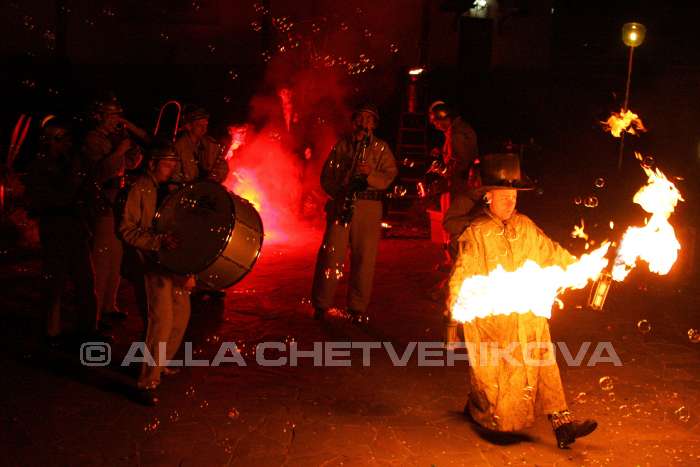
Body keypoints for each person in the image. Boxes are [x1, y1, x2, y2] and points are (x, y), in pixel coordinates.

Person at [447, 153, 597, 449]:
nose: (510, 201)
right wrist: (453, 312)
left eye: (514, 195)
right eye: (503, 195)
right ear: (488, 197)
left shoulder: (526, 226)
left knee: (543, 361)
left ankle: (562, 423)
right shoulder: (477, 233)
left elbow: (551, 252)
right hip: (492, 320)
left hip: (528, 313)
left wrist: (583, 267)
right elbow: (462, 272)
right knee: (496, 385)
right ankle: (478, 407)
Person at [118, 143, 194, 405]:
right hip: (150, 262)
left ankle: (158, 365)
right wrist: (158, 242)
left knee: (181, 314)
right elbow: (127, 230)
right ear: (152, 164)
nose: (171, 168)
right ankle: (147, 381)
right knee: (160, 321)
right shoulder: (139, 189)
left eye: (174, 163)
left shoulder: (170, 190)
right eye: (166, 163)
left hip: (171, 263)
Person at [311, 104, 398, 323]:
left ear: (374, 125)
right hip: (343, 205)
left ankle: (357, 308)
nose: (364, 123)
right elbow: (326, 177)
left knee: (364, 259)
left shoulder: (381, 148)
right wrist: (340, 191)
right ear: (354, 122)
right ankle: (321, 304)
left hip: (369, 207)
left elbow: (389, 177)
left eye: (369, 120)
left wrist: (369, 176)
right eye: (360, 119)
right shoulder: (342, 146)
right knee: (331, 255)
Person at [24, 117, 100, 345]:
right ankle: (51, 332)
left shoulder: (69, 162)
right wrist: (73, 187)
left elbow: (84, 192)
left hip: (75, 230)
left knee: (86, 282)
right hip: (56, 230)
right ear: (50, 141)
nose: (68, 143)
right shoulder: (40, 167)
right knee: (54, 284)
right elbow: (50, 199)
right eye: (62, 139)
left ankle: (87, 330)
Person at [82, 95, 147, 325]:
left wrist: (131, 149)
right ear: (99, 116)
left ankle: (110, 304)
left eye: (118, 115)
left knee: (116, 255)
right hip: (102, 199)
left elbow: (130, 164)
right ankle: (95, 312)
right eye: (111, 116)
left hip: (117, 198)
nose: (116, 120)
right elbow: (100, 171)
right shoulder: (92, 139)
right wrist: (119, 151)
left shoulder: (114, 137)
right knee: (101, 257)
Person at [428, 101, 479, 264]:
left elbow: (462, 162)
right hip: (460, 183)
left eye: (435, 122)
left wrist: (445, 177)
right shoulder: (456, 131)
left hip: (459, 186)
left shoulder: (457, 133)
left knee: (453, 221)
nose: (435, 126)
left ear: (442, 118)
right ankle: (455, 259)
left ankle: (456, 261)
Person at [173, 106, 229, 184]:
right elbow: (173, 177)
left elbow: (223, 168)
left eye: (205, 125)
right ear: (188, 126)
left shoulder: (212, 145)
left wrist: (214, 178)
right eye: (200, 126)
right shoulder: (178, 148)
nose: (204, 129)